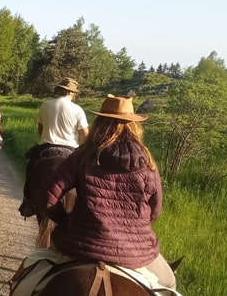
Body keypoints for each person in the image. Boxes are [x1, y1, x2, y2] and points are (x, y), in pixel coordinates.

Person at [42, 94, 177, 292]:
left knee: (30, 271)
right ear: (134, 125)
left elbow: (48, 197)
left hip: (81, 245)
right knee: (169, 282)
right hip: (135, 253)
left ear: (100, 123)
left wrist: (66, 221)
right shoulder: (148, 163)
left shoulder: (83, 155)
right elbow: (155, 213)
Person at [18, 77, 89, 217]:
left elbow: (41, 129)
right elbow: (85, 135)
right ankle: (86, 209)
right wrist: (81, 148)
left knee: (31, 168)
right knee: (86, 175)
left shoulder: (45, 105)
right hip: (70, 150)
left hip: (47, 146)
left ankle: (28, 201)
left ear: (59, 90)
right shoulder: (77, 109)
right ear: (72, 93)